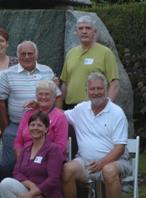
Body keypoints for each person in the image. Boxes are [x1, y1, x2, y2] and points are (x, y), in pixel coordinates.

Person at [60, 15, 121, 197]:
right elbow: (64, 85)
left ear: (95, 31)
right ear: (77, 32)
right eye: (81, 28)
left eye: (88, 28)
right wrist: (56, 111)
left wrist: (105, 109)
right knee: (73, 158)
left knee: (95, 153)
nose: (84, 31)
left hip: (96, 110)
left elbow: (115, 83)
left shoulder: (105, 53)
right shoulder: (71, 53)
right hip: (74, 112)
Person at [61, 72, 131, 198]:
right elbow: (60, 116)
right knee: (67, 170)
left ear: (106, 89)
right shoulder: (81, 109)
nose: (96, 92)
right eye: (92, 89)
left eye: (100, 88)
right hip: (85, 162)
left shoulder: (116, 113)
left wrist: (102, 163)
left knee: (108, 171)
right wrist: (40, 106)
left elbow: (120, 147)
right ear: (86, 91)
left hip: (115, 161)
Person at [0, 40, 62, 166]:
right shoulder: (8, 74)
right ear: (17, 56)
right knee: (9, 165)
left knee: (44, 161)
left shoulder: (47, 71)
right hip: (16, 125)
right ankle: (9, 182)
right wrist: (6, 126)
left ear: (37, 55)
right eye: (23, 54)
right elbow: (0, 101)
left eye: (30, 53)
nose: (27, 57)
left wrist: (55, 118)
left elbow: (57, 96)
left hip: (44, 125)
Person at [0, 80, 68, 182]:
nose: (43, 97)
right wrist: (21, 161)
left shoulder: (60, 117)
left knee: (36, 173)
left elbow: (60, 147)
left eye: (47, 94)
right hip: (25, 158)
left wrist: (36, 161)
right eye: (40, 94)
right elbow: (18, 141)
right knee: (4, 172)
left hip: (49, 159)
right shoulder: (28, 114)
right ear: (36, 96)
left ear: (54, 97)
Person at [0, 111, 63, 198]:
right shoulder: (25, 150)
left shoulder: (53, 149)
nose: (35, 128)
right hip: (28, 191)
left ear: (46, 129)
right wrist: (31, 186)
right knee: (6, 183)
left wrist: (32, 194)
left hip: (47, 194)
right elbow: (16, 173)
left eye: (40, 125)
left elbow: (53, 179)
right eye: (32, 125)